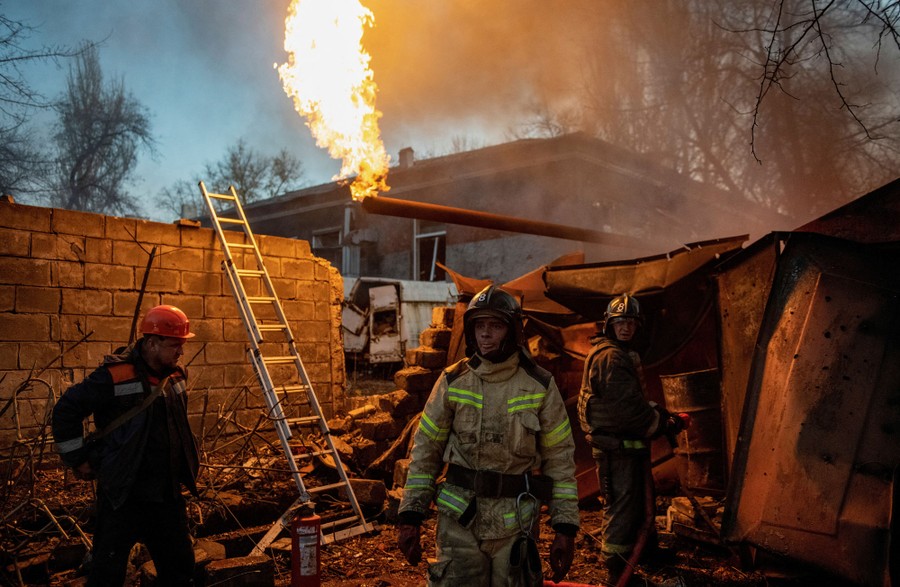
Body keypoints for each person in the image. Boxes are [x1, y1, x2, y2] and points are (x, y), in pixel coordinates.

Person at [397, 285, 580, 586]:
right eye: (480, 326)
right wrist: (410, 517)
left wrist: (565, 527)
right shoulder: (452, 382)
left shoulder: (539, 386)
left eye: (495, 326)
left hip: (516, 526)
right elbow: (425, 452)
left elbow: (560, 460)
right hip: (459, 523)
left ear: (513, 332)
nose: (485, 334)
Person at [52, 304, 200, 586]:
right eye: (175, 345)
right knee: (107, 573)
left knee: (180, 568)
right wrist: (77, 458)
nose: (181, 352)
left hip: (167, 496)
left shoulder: (177, 375)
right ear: (152, 343)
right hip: (123, 497)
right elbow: (66, 410)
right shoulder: (115, 375)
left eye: (182, 345)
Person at [576, 293, 689, 584]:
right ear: (609, 324)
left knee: (640, 502)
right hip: (616, 449)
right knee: (622, 508)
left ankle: (645, 554)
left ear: (638, 325)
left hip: (628, 445)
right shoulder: (611, 357)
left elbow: (634, 401)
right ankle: (618, 568)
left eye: (630, 322)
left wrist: (661, 417)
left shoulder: (622, 353)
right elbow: (626, 410)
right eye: (619, 322)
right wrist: (661, 425)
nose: (625, 327)